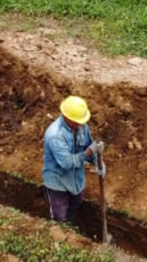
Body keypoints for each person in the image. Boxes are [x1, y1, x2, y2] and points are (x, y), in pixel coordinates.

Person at [42, 95, 105, 224]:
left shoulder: (82, 127)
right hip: (57, 182)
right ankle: (61, 233)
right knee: (60, 216)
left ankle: (70, 228)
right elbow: (66, 163)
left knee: (75, 205)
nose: (81, 124)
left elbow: (89, 145)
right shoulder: (55, 135)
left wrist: (98, 163)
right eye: (77, 121)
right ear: (67, 118)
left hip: (76, 180)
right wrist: (88, 152)